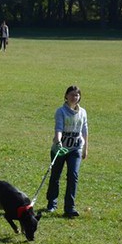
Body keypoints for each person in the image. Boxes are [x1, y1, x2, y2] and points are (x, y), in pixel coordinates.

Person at [45, 85, 88, 217]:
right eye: (71, 94)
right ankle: (52, 203)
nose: (74, 97)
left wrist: (85, 149)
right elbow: (58, 129)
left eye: (76, 95)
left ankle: (69, 208)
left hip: (75, 149)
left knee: (73, 176)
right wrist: (58, 142)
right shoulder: (61, 111)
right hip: (60, 149)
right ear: (66, 96)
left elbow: (85, 131)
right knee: (55, 176)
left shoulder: (83, 112)